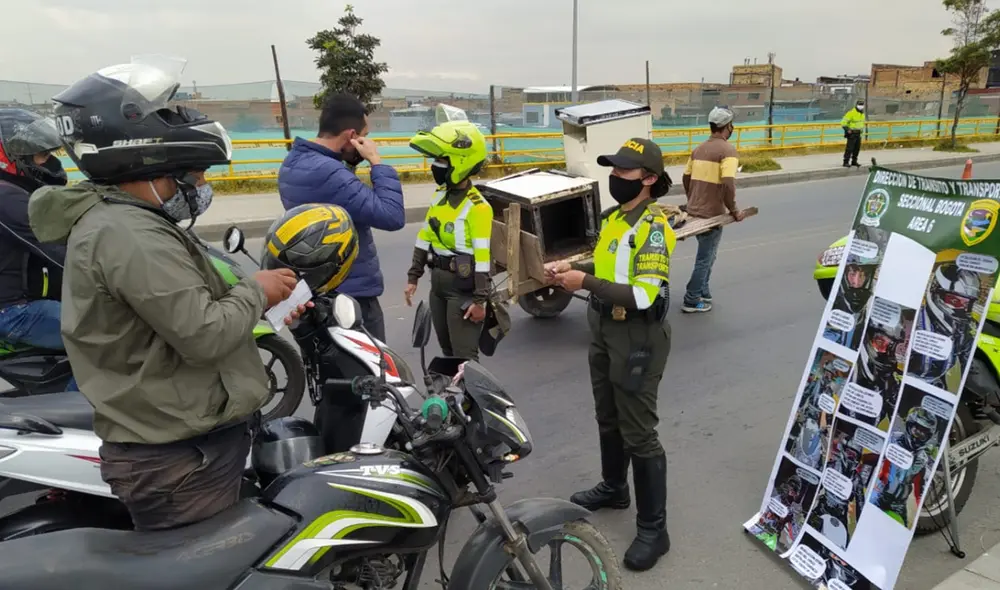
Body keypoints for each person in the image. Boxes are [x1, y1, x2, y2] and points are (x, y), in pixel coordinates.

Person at [28, 59, 312, 531]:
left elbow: (181, 305)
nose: (201, 188)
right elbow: (203, 332)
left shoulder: (129, 222)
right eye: (194, 176)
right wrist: (256, 293)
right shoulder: (130, 234)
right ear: (150, 168)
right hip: (180, 461)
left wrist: (259, 298)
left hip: (184, 442)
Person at [546, 137, 674, 572]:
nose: (615, 178)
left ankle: (655, 530)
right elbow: (609, 268)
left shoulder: (654, 228)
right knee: (608, 415)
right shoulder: (616, 218)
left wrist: (582, 283)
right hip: (603, 327)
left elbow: (642, 292)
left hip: (636, 334)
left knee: (639, 432)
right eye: (614, 170)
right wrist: (574, 270)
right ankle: (614, 487)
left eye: (624, 172)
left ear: (650, 179)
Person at [278, 93, 405, 343]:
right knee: (371, 374)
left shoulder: (293, 162)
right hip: (349, 295)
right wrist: (376, 163)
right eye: (363, 136)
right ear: (350, 136)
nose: (365, 142)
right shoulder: (330, 172)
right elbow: (391, 216)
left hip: (314, 291)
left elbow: (340, 198)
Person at [404, 119, 492, 362]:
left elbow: (483, 258)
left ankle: (469, 400)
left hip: (462, 288)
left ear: (461, 162)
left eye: (442, 160)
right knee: (447, 352)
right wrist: (414, 275)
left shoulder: (479, 208)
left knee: (464, 358)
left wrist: (480, 300)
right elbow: (425, 236)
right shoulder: (439, 196)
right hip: (438, 286)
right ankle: (454, 399)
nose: (436, 166)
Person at [0, 109, 70, 353]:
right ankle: (79, 393)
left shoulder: (14, 191)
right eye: (42, 155)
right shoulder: (7, 197)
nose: (50, 162)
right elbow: (58, 249)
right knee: (111, 334)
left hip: (21, 302)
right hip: (12, 311)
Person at [680, 106, 745, 314]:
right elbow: (728, 183)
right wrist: (734, 209)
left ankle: (704, 290)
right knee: (705, 258)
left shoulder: (698, 149)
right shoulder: (728, 151)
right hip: (712, 215)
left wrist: (692, 200)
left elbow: (686, 178)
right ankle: (691, 299)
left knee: (709, 255)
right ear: (727, 126)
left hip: (694, 211)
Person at [842, 100, 866, 168]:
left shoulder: (862, 114)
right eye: (860, 104)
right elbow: (843, 122)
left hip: (858, 134)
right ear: (856, 105)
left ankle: (854, 161)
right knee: (849, 148)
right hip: (852, 133)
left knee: (857, 148)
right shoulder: (851, 113)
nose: (861, 106)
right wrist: (847, 130)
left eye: (862, 105)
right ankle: (845, 162)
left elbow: (861, 123)